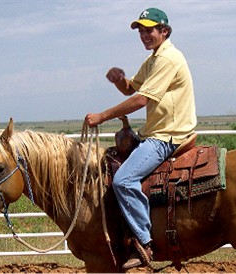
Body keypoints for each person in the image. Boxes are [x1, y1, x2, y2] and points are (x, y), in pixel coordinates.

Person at [85, 7, 197, 269]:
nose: (145, 35)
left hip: (167, 136)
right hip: (157, 133)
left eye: (150, 30)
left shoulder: (168, 59)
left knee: (123, 180)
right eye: (141, 31)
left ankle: (144, 242)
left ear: (164, 31)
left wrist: (103, 116)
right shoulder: (154, 60)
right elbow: (130, 88)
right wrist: (118, 79)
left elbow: (141, 99)